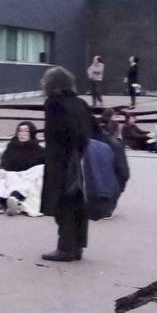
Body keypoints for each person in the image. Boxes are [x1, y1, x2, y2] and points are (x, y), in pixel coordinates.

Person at [40, 67, 92, 262]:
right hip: (81, 160)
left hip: (62, 162)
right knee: (79, 203)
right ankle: (78, 246)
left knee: (64, 204)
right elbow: (92, 130)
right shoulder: (81, 103)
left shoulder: (54, 105)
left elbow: (57, 136)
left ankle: (65, 247)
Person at [0, 121, 46, 216]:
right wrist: (1, 169)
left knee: (39, 170)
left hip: (27, 178)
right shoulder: (12, 147)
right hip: (12, 177)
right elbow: (5, 161)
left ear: (32, 133)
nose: (22, 134)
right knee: (3, 178)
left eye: (26, 131)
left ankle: (14, 198)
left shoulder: (39, 150)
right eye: (20, 131)